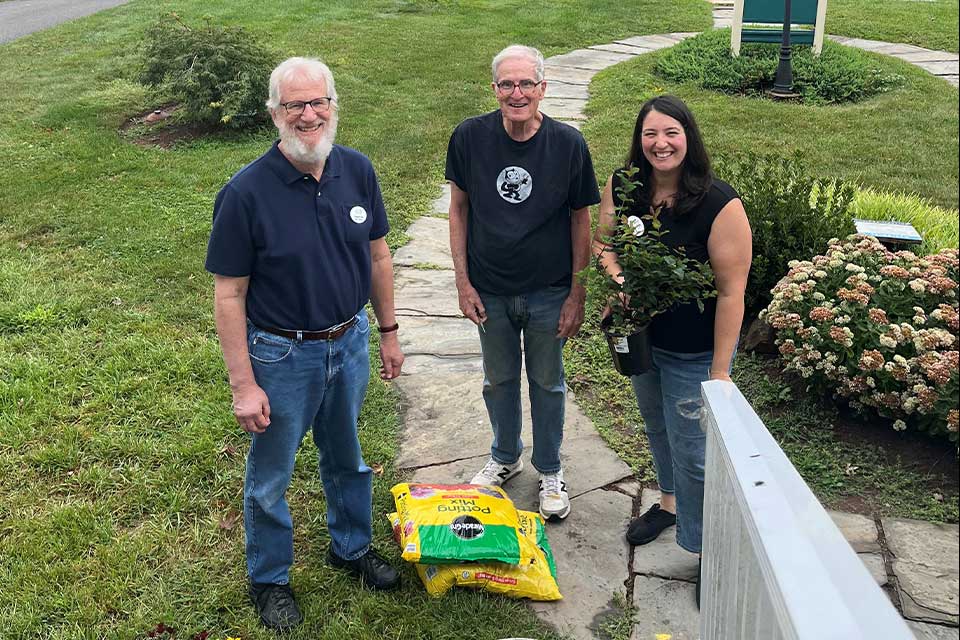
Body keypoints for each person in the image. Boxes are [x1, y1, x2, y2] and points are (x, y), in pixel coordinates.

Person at [205, 57, 404, 631]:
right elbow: (229, 295)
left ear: (334, 106)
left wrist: (388, 332)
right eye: (295, 105)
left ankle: (351, 547)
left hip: (350, 340)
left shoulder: (357, 171)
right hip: (280, 354)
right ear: (274, 114)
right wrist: (244, 383)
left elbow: (378, 256)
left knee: (348, 457)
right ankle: (269, 579)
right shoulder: (245, 193)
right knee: (271, 475)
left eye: (318, 102)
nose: (309, 115)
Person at [592, 95, 751, 606]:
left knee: (696, 453)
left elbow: (731, 292)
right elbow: (604, 243)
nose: (660, 144)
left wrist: (720, 370)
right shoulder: (624, 185)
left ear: (689, 137)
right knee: (658, 428)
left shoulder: (718, 203)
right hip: (642, 339)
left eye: (671, 133)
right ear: (639, 140)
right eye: (650, 134)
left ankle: (711, 553)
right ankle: (668, 504)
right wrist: (619, 281)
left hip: (692, 351)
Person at [446, 44, 601, 521]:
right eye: (507, 84)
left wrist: (577, 292)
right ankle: (505, 456)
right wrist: (462, 282)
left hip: (548, 290)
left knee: (548, 381)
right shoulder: (469, 138)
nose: (517, 93)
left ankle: (550, 469)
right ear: (494, 90)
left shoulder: (568, 145)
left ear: (542, 89)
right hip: (488, 288)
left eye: (526, 84)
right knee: (499, 380)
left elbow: (581, 220)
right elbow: (459, 209)